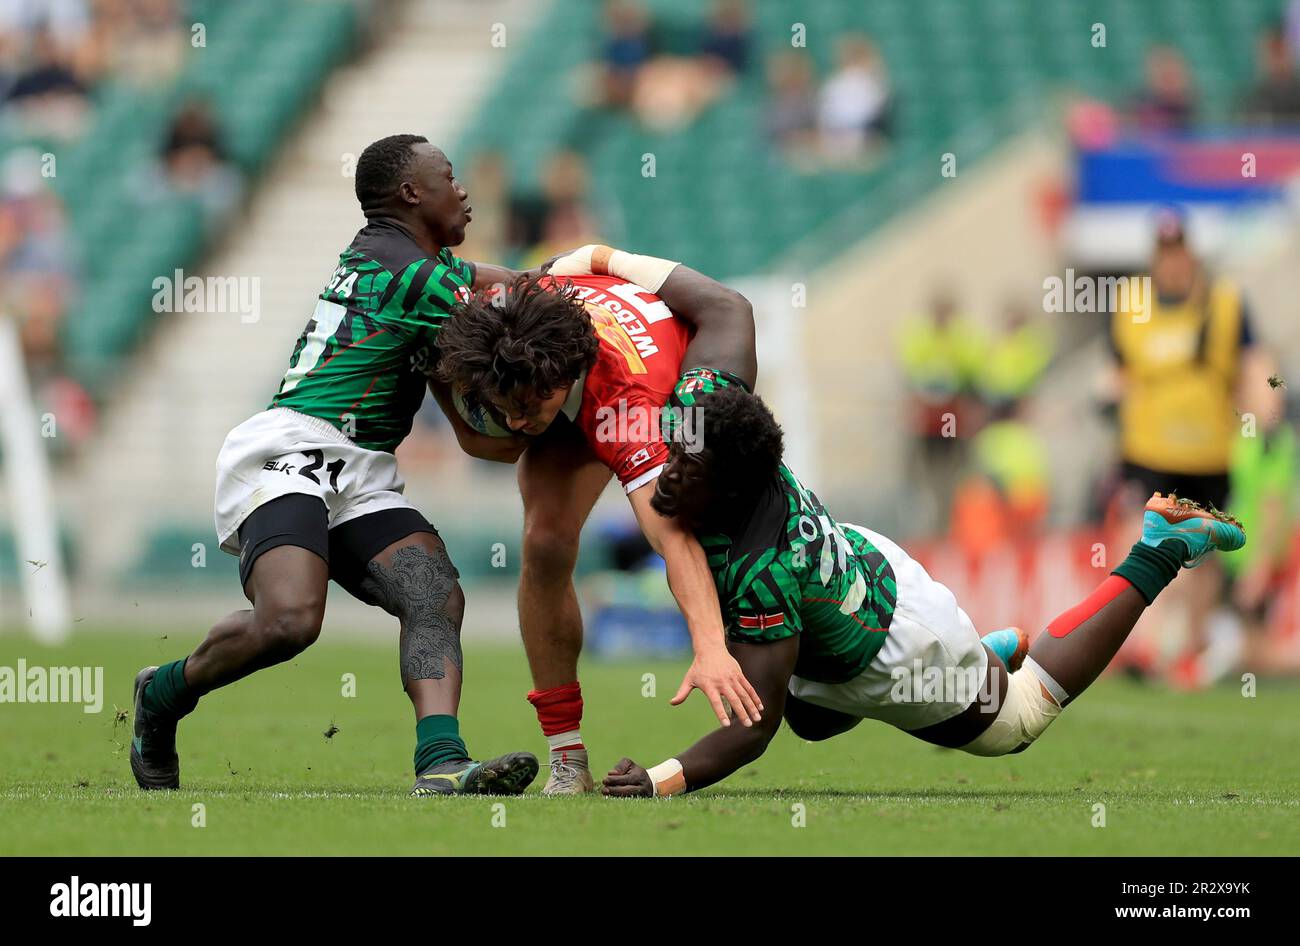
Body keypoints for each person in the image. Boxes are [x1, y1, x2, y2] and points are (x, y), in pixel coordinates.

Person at [131, 134, 542, 797]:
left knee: (434, 593)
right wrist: (608, 279)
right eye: (449, 178)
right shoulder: (402, 267)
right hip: (290, 451)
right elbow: (523, 294)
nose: (462, 191)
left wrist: (526, 423)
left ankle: (441, 762)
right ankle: (163, 694)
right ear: (411, 193)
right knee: (290, 622)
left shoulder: (420, 282)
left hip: (361, 471)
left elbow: (479, 439)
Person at [599, 388, 1246, 797]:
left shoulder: (763, 568)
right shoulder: (719, 412)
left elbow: (752, 728)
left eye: (690, 466)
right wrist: (606, 261)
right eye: (675, 450)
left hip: (900, 648)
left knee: (1019, 718)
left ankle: (1160, 548)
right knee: (810, 716)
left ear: (733, 487)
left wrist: (659, 780)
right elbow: (725, 308)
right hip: (860, 570)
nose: (669, 469)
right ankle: (981, 656)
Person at [435, 245, 761, 793]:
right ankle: (567, 756)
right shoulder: (506, 320)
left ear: (560, 381)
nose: (513, 422)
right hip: (579, 367)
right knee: (544, 542)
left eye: (527, 409)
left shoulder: (629, 409)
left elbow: (672, 543)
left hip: (645, 386)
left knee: (699, 531)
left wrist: (707, 646)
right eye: (502, 406)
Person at [1108, 210, 1267, 681]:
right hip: (1148, 448)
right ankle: (1144, 646)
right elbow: (1117, 366)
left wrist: (1263, 412)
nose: (1172, 263)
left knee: (1204, 550)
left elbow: (1252, 361)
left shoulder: (1225, 301)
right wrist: (1105, 396)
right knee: (1138, 536)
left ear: (1190, 254)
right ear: (1154, 258)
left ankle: (1190, 651)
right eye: (1164, 254)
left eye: (1178, 253)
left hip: (1208, 450)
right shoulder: (1131, 302)